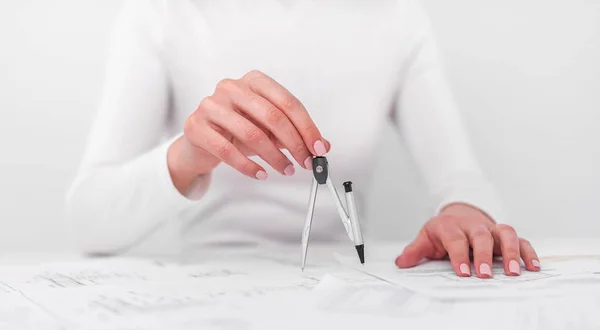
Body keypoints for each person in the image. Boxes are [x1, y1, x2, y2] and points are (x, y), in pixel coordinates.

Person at [65, 0, 541, 279]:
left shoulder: (395, 15)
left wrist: (466, 211)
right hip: (208, 289)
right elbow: (88, 222)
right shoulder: (162, 13)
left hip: (346, 288)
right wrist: (187, 157)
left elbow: (459, 175)